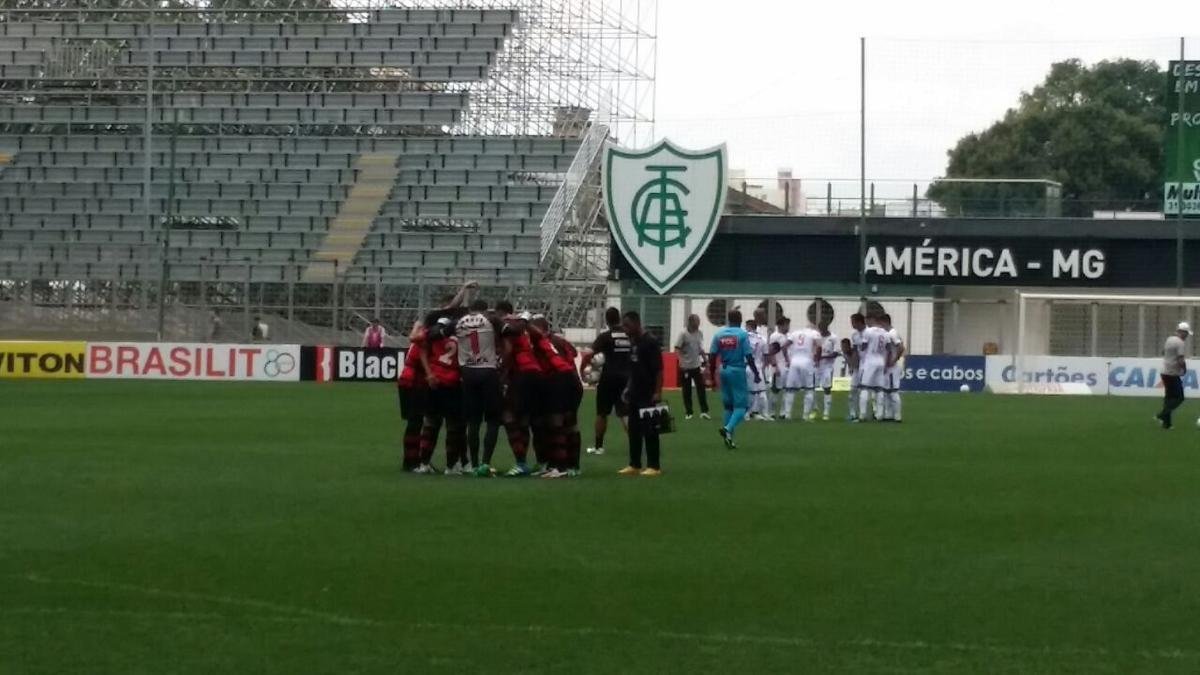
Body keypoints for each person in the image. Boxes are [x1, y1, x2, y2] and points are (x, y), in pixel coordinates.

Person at [455, 299, 505, 476]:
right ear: (485, 309)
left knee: (473, 421)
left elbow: (439, 332)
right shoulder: (489, 320)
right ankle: (486, 462)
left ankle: (474, 464)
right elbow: (509, 331)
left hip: (468, 372)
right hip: (488, 371)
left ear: (470, 309)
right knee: (492, 420)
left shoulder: (460, 322)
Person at [579, 307, 632, 456]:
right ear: (620, 318)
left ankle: (598, 446)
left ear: (607, 321)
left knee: (602, 413)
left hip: (609, 378)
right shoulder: (629, 336)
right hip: (627, 379)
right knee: (625, 413)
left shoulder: (605, 336)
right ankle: (635, 445)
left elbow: (587, 355)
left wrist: (582, 371)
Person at [419, 317, 468, 475]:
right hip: (452, 383)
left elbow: (423, 351)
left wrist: (429, 374)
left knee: (430, 424)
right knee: (454, 427)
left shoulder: (435, 337)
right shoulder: (463, 338)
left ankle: (424, 463)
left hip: (435, 380)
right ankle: (451, 465)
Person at [618, 311, 664, 476]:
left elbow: (658, 370)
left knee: (650, 430)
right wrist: (628, 387)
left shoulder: (650, 342)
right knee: (634, 430)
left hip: (648, 393)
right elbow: (634, 368)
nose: (625, 329)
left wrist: (657, 392)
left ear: (637, 324)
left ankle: (654, 465)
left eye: (627, 325)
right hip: (635, 393)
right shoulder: (634, 342)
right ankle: (634, 464)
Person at [708, 309, 759, 449]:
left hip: (723, 369)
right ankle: (727, 428)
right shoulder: (742, 334)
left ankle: (729, 439)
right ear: (740, 319)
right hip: (737, 369)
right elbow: (748, 355)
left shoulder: (719, 334)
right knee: (742, 407)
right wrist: (756, 372)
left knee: (729, 406)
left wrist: (712, 376)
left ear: (728, 320)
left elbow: (712, 356)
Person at [398, 321, 429, 472]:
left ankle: (412, 460)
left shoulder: (418, 336)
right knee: (415, 423)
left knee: (415, 422)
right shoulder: (423, 340)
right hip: (413, 384)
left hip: (407, 381)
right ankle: (411, 462)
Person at [856, 314, 893, 423]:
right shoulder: (885, 333)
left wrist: (859, 348)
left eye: (868, 320)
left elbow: (863, 346)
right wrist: (887, 363)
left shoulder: (869, 331)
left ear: (872, 320)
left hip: (870, 361)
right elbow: (889, 349)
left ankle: (862, 415)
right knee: (879, 389)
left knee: (864, 387)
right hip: (881, 361)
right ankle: (879, 415)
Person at [783, 321, 822, 422]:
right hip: (807, 362)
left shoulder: (795, 333)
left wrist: (787, 359)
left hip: (794, 362)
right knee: (809, 389)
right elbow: (819, 346)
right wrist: (817, 359)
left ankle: (787, 414)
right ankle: (805, 415)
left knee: (790, 390)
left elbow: (784, 346)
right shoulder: (814, 333)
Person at [674, 314, 709, 420]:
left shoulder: (699, 333)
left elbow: (700, 348)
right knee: (687, 390)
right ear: (691, 322)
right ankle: (689, 412)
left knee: (701, 388)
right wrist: (681, 361)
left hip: (696, 365)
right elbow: (677, 348)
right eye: (697, 321)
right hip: (686, 366)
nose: (699, 324)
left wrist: (705, 360)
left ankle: (704, 411)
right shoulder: (683, 334)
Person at [1156, 322, 1190, 429]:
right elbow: (1180, 359)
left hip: (1164, 371)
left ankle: (1167, 424)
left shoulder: (1169, 339)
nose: (1187, 336)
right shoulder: (1180, 343)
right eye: (1186, 333)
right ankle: (1161, 415)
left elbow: (1163, 352)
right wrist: (1184, 369)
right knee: (1179, 397)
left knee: (1169, 397)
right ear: (1182, 332)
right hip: (1172, 373)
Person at [879, 313, 905, 422]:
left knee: (893, 390)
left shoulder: (892, 334)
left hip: (893, 365)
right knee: (887, 390)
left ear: (884, 322)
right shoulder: (891, 333)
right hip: (890, 364)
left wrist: (894, 360)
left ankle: (897, 416)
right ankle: (888, 414)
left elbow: (901, 347)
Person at [745, 318, 772, 420]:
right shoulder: (762, 339)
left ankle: (749, 412)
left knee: (750, 391)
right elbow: (766, 355)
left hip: (745, 366)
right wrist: (764, 368)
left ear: (749, 327)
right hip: (757, 367)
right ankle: (761, 413)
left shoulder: (743, 337)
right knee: (760, 391)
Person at [768, 316, 791, 419]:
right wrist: (775, 366)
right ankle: (771, 412)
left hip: (786, 366)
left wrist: (788, 361)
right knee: (775, 390)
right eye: (787, 325)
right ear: (781, 325)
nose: (788, 327)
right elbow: (771, 352)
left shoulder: (788, 336)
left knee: (786, 390)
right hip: (778, 366)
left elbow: (786, 351)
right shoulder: (775, 336)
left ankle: (783, 413)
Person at [816, 324, 840, 421]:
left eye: (823, 328)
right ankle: (814, 409)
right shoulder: (817, 338)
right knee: (811, 388)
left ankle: (826, 412)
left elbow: (835, 353)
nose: (821, 330)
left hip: (827, 366)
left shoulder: (833, 338)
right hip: (817, 366)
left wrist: (822, 357)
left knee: (827, 388)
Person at [846, 313, 866, 421]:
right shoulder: (854, 335)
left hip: (868, 365)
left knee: (867, 391)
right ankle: (853, 413)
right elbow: (855, 351)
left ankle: (872, 413)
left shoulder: (869, 333)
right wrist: (852, 365)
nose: (852, 324)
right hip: (858, 366)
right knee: (853, 390)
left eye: (853, 322)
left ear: (859, 322)